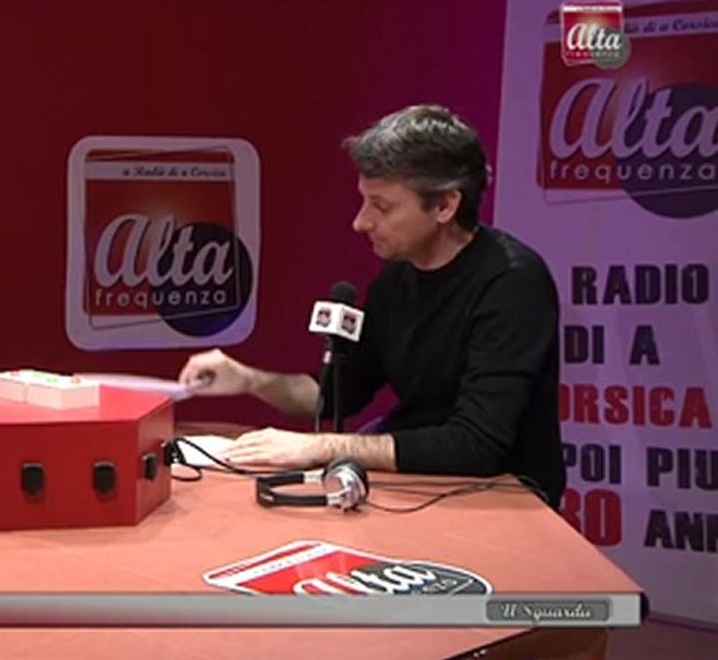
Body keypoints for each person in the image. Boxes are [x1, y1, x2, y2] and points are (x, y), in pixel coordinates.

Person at [178, 105, 565, 507]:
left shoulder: (513, 283)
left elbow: (474, 445)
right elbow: (338, 394)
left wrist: (321, 447)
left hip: (503, 502)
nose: (360, 222)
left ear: (444, 207)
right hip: (419, 490)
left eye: (381, 206)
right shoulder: (396, 278)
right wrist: (250, 380)